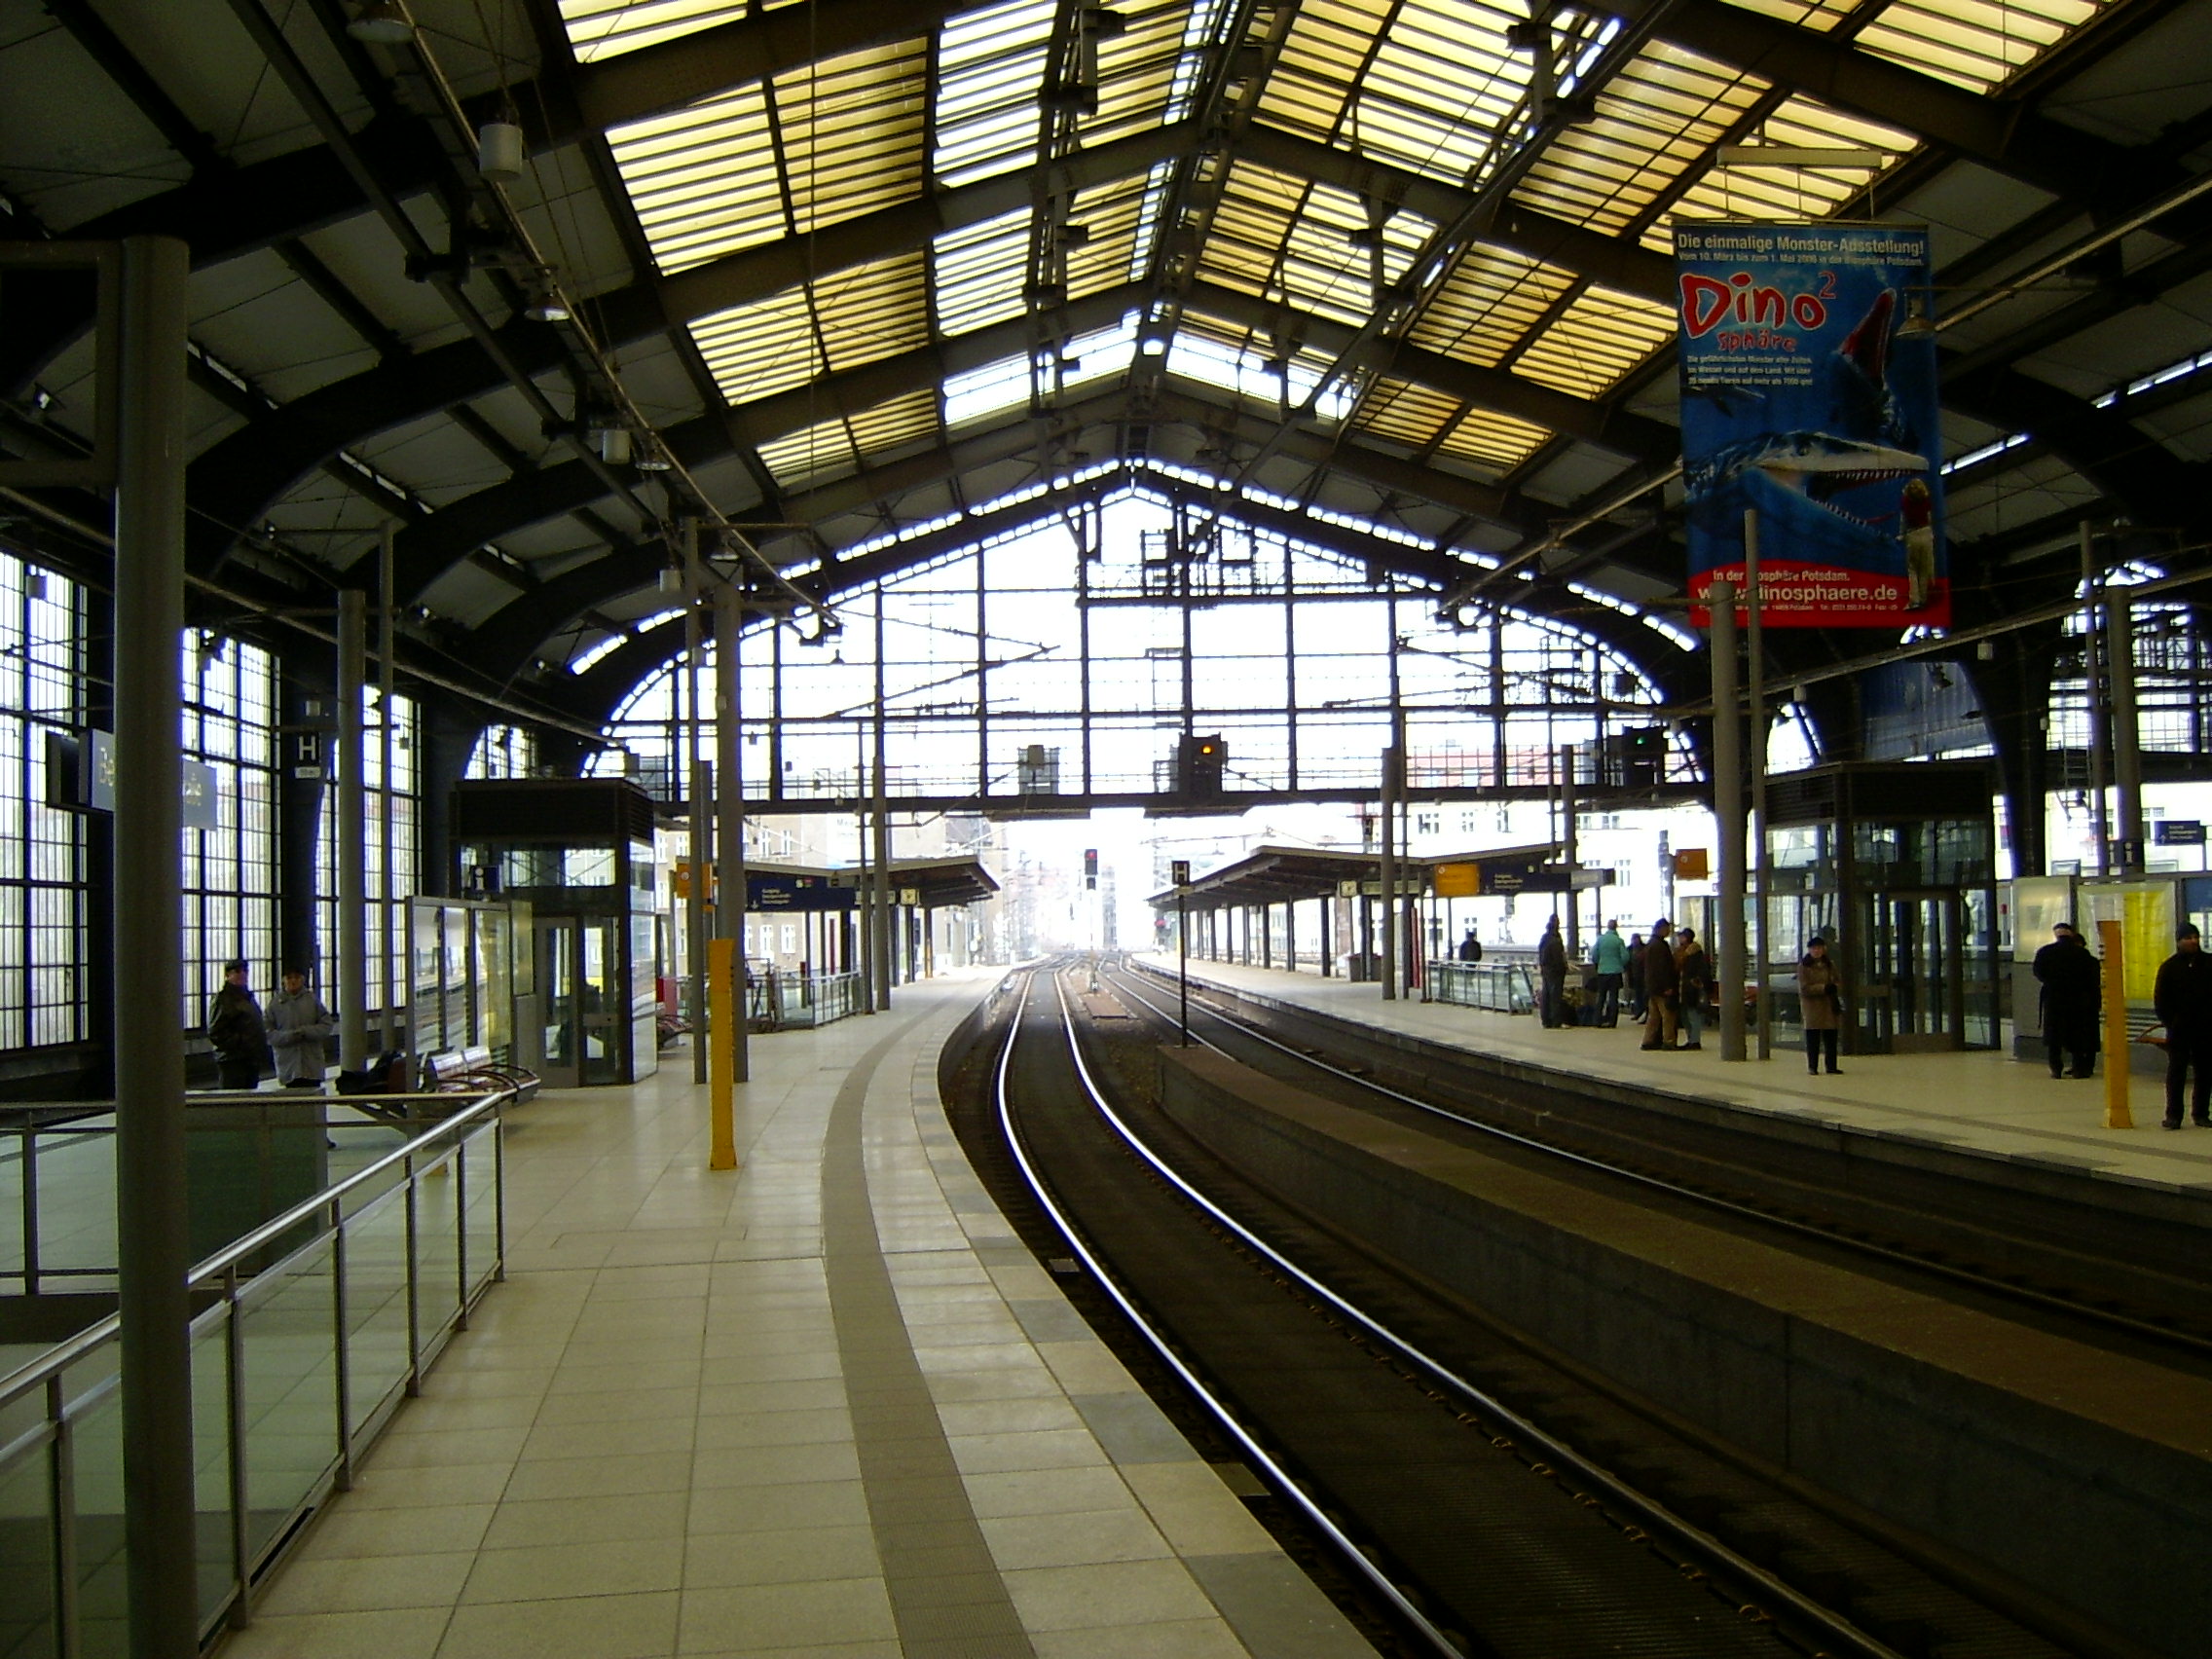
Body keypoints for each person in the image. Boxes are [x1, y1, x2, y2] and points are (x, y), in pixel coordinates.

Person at [2154, 923, 2212, 1129]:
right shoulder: (2169, 967)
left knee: (2205, 1072)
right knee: (2176, 1073)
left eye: (2195, 937)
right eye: (2188, 938)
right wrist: (2171, 1022)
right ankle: (2173, 1115)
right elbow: (2160, 1000)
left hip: (2206, 1029)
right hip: (2179, 1030)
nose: (2193, 941)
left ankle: (2201, 1113)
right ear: (2179, 941)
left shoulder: (2209, 963)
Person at [2032, 921, 2101, 1080]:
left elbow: (2038, 972)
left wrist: (2051, 982)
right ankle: (2078, 1068)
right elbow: (2091, 978)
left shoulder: (2045, 952)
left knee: (2054, 1036)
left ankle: (2056, 1068)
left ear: (2056, 935)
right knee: (2077, 1034)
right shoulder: (2083, 954)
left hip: (2054, 999)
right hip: (2077, 1000)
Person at [267, 968, 334, 1090]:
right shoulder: (274, 1004)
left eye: (297, 978)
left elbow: (327, 1025)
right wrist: (289, 1036)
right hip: (288, 1066)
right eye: (289, 978)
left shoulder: (313, 1001)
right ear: (283, 980)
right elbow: (268, 1034)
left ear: (303, 980)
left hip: (312, 1065)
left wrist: (306, 1032)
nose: (293, 981)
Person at [205, 960, 269, 1090]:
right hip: (233, 1060)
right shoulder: (223, 999)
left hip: (250, 1058)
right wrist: (240, 1042)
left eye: (245, 971)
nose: (243, 974)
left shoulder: (247, 997)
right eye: (237, 971)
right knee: (233, 1095)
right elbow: (216, 1031)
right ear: (228, 975)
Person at [1797, 936, 1844, 1075]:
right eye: (1814, 948)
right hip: (1812, 1007)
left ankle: (1831, 1066)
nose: (1817, 951)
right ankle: (1813, 1067)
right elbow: (1804, 988)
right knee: (1813, 1038)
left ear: (1824, 949)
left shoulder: (1829, 964)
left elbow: (1838, 980)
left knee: (1831, 1037)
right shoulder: (1804, 966)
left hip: (1829, 1005)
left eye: (1819, 948)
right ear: (1809, 950)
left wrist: (1834, 987)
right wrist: (1823, 988)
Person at [1641, 918, 1679, 1051]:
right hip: (1661, 987)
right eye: (1667, 929)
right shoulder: (1660, 946)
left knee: (1654, 1016)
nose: (1668, 932)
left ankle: (1648, 1040)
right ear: (1661, 929)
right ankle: (1669, 1041)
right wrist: (1667, 986)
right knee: (1668, 1015)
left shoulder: (1651, 944)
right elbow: (1662, 968)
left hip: (1652, 987)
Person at [1675, 927, 1712, 1050]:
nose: (1679, 939)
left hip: (1691, 989)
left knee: (1692, 1015)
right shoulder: (1681, 952)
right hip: (1683, 988)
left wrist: (1695, 982)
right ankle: (1691, 1039)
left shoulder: (1695, 953)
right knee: (1685, 1015)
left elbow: (1700, 972)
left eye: (1681, 936)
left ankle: (1694, 1040)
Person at [1591, 921, 1628, 1027]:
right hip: (1615, 972)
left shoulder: (1600, 939)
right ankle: (1612, 1021)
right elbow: (1625, 957)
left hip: (1602, 971)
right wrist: (1619, 964)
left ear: (1607, 927)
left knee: (1601, 997)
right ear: (1616, 927)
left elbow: (1594, 954)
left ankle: (1597, 1020)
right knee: (1613, 998)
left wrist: (1599, 963)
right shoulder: (1619, 941)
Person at [1536, 914, 1568, 1028]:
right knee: (1555, 996)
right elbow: (1558, 958)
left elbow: (1541, 954)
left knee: (1546, 995)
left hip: (1545, 970)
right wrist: (1564, 968)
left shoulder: (1544, 938)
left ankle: (1546, 1020)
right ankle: (1556, 1021)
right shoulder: (1555, 940)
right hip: (1555, 971)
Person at [1625, 933, 1646, 1020]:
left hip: (1643, 975)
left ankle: (1642, 1012)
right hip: (1634, 975)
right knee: (1637, 995)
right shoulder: (1629, 949)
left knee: (1643, 995)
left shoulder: (1644, 948)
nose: (1634, 941)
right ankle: (1639, 1012)